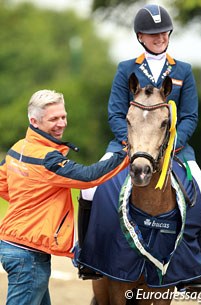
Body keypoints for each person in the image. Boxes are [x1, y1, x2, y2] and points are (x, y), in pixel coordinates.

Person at [79, 4, 201, 290]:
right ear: (140, 36)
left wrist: (175, 142)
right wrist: (132, 142)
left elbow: (190, 115)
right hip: (128, 144)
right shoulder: (127, 69)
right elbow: (116, 112)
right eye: (153, 34)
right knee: (89, 189)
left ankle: (196, 270)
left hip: (173, 148)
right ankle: (89, 260)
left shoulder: (183, 71)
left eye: (164, 32)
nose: (160, 37)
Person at [0, 89, 129, 305]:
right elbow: (89, 177)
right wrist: (125, 154)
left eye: (63, 116)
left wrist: (30, 202)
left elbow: (3, 186)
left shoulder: (17, 149)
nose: (61, 123)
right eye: (54, 119)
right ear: (34, 121)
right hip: (28, 255)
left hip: (15, 245)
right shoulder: (47, 159)